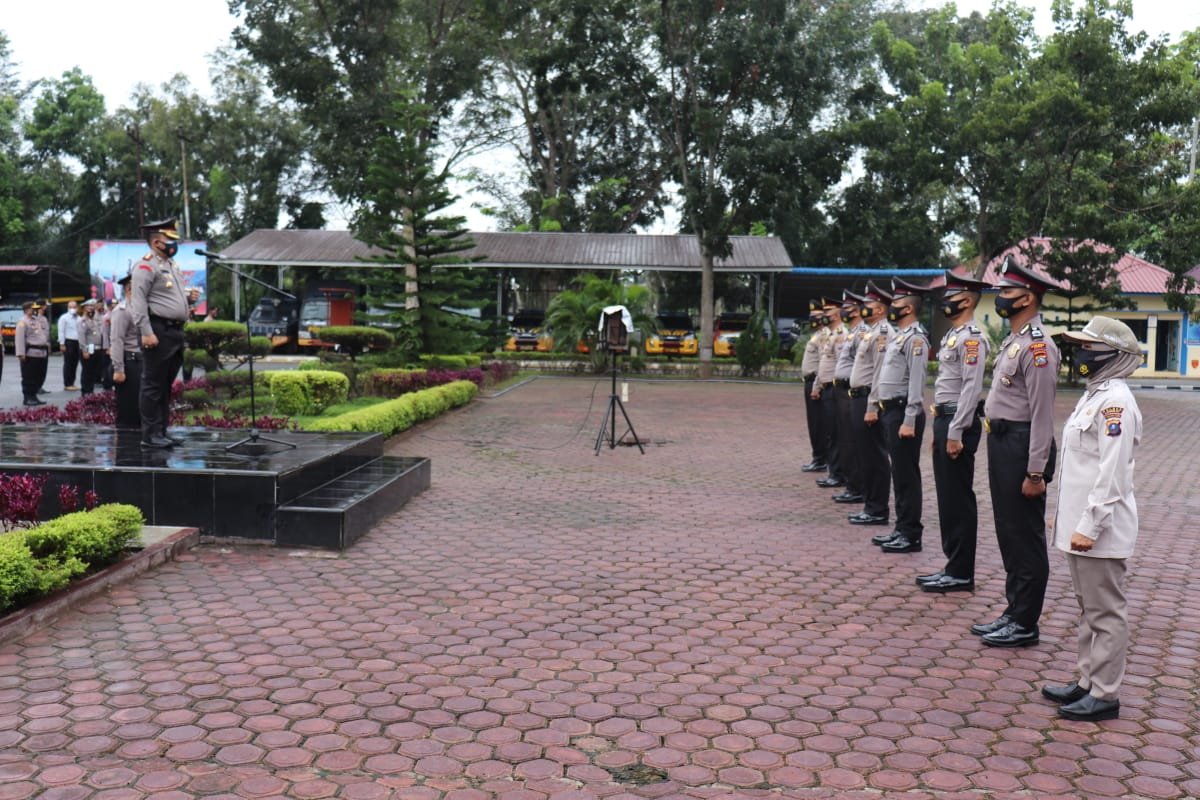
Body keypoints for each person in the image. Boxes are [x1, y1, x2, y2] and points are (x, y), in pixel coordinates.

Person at [1040, 317, 1143, 721]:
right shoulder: (1094, 395)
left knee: (1105, 612)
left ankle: (1105, 694)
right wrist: (1068, 519)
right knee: (1089, 609)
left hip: (1100, 529)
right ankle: (1087, 681)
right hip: (1082, 526)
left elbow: (1112, 474)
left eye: (1087, 347)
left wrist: (1089, 524)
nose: (1080, 353)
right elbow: (1080, 468)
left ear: (1112, 355)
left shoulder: (1116, 402)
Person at [973, 256, 1060, 648]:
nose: (1001, 297)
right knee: (1009, 531)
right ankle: (1014, 610)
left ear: (1027, 298)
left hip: (1022, 446)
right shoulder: (1015, 341)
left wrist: (1036, 471)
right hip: (1002, 443)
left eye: (1008, 291)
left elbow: (1043, 416)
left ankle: (1025, 623)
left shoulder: (1039, 348)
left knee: (1025, 535)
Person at [919, 269, 992, 593]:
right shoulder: (954, 335)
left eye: (952, 297)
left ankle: (961, 572)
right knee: (947, 498)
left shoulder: (972, 338)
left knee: (958, 499)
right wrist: (942, 430)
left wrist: (956, 431)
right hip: (945, 420)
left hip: (957, 421)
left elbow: (970, 389)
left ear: (967, 301)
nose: (946, 302)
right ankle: (953, 565)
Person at [128, 218, 200, 448]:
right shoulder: (145, 266)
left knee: (165, 385)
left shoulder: (171, 265)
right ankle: (150, 435)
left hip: (175, 332)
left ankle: (161, 431)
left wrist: (188, 299)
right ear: (156, 243)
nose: (173, 244)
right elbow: (138, 302)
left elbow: (166, 296)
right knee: (152, 385)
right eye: (170, 240)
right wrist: (146, 332)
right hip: (157, 330)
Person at [870, 277, 930, 553]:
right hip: (891, 411)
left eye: (896, 302)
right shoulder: (901, 336)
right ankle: (900, 528)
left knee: (907, 476)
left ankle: (911, 534)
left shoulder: (916, 339)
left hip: (904, 412)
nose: (891, 306)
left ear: (908, 308)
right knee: (899, 473)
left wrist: (909, 419)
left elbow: (917, 383)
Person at [849, 281, 894, 528]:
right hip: (859, 397)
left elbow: (879, 373)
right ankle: (870, 504)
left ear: (880, 309)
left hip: (868, 398)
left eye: (868, 304)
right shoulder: (871, 331)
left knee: (875, 456)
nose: (863, 308)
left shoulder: (882, 333)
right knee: (864, 455)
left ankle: (877, 509)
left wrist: (872, 406)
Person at [831, 292, 866, 505]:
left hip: (851, 391)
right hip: (843, 390)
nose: (844, 311)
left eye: (848, 307)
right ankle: (851, 483)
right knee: (845, 439)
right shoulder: (853, 333)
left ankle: (857, 487)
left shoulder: (862, 333)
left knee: (852, 442)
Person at [814, 298, 848, 490]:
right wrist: (818, 385)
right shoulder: (831, 334)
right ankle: (834, 471)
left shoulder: (842, 335)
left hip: (836, 389)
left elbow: (841, 365)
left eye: (827, 312)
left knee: (836, 434)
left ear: (836, 314)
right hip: (827, 388)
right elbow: (824, 363)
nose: (823, 315)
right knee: (830, 433)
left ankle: (838, 473)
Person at [109, 272, 143, 429]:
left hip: (142, 360)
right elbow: (117, 341)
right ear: (129, 289)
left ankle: (139, 435)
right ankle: (126, 437)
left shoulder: (141, 309)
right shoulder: (121, 311)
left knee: (141, 403)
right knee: (129, 404)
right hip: (129, 361)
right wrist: (118, 369)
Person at [799, 301, 829, 473]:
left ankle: (821, 459)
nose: (813, 320)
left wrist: (817, 386)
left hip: (816, 384)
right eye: (811, 316)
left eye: (816, 316)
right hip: (810, 382)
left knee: (818, 424)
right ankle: (818, 457)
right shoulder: (817, 335)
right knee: (814, 423)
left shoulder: (824, 335)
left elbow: (824, 363)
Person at [14, 300, 49, 406]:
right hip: (30, 353)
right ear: (27, 310)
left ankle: (34, 396)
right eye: (33, 308)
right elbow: (19, 339)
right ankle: (28, 398)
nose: (35, 310)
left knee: (37, 376)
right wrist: (21, 353)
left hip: (40, 352)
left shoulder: (36, 320)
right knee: (29, 377)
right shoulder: (22, 322)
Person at [78, 300, 104, 395]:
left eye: (92, 307)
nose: (91, 308)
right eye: (88, 307)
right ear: (84, 308)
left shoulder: (94, 320)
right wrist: (84, 350)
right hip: (88, 349)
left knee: (94, 371)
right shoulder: (82, 321)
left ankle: (90, 391)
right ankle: (85, 391)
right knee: (87, 371)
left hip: (97, 349)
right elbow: (82, 337)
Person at [58, 300, 81, 391]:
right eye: (70, 307)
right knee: (68, 363)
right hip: (68, 342)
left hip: (77, 342)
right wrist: (62, 343)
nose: (72, 309)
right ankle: (67, 383)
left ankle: (72, 382)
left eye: (74, 307)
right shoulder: (64, 318)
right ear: (67, 308)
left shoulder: (79, 318)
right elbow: (61, 331)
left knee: (75, 363)